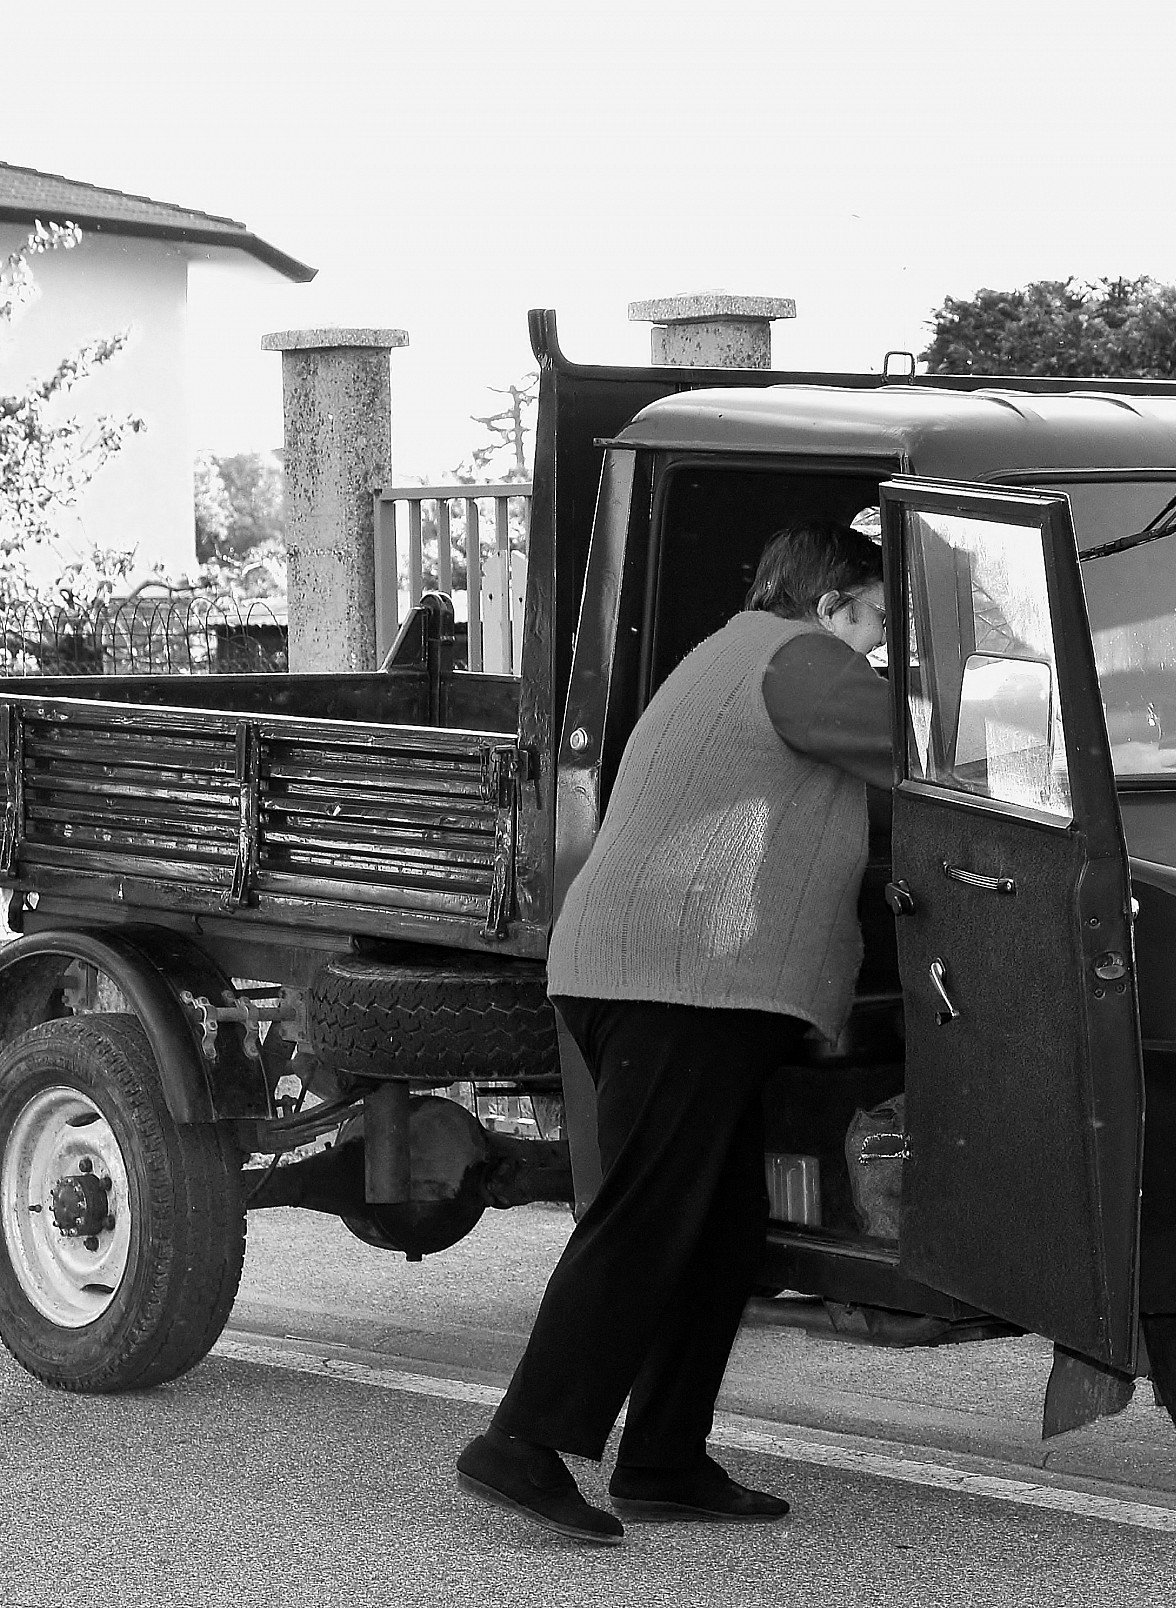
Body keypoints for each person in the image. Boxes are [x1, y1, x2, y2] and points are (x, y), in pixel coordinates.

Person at [458, 522, 893, 1542]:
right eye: (874, 618)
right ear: (830, 606)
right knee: (651, 1217)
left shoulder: (734, 652)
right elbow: (929, 750)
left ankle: (661, 1456)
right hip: (680, 977)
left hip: (679, 976)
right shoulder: (799, 658)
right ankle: (521, 1441)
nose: (876, 644)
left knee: (720, 1231)